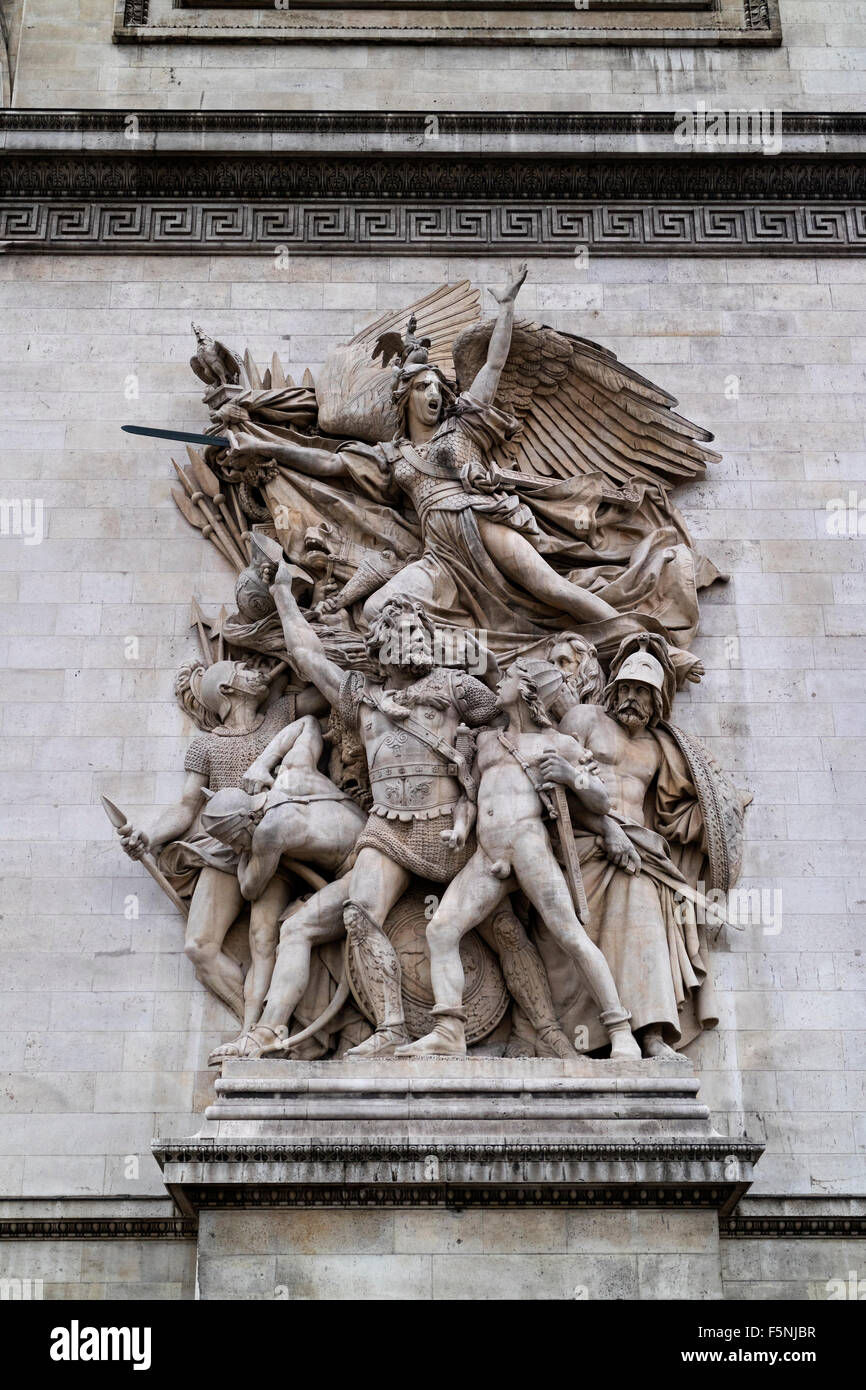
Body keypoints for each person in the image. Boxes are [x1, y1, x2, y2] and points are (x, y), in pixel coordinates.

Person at [395, 658, 641, 1059]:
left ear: (526, 691)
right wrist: (460, 828)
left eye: (508, 677)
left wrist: (568, 773)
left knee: (571, 937)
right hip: (487, 853)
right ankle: (449, 1029)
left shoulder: (557, 744)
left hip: (528, 847)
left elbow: (600, 799)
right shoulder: (488, 741)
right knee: (441, 930)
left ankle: (620, 1030)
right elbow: (469, 799)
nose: (499, 682)